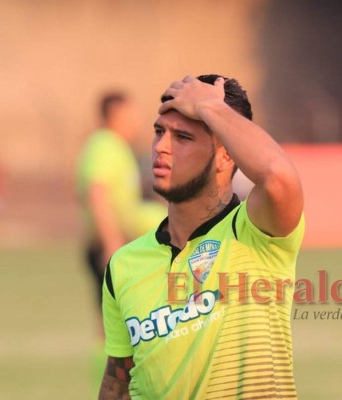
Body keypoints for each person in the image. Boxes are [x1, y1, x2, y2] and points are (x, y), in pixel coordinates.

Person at [99, 75, 305, 399]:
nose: (161, 148)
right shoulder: (124, 264)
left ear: (226, 154)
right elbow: (118, 382)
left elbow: (278, 177)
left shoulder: (257, 233)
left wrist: (210, 106)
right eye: (158, 132)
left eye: (182, 137)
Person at [77, 92, 166, 325]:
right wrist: (111, 244)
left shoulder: (118, 147)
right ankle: (102, 363)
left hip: (127, 246)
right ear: (115, 116)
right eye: (131, 115)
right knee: (113, 324)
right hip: (114, 248)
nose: (137, 121)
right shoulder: (104, 145)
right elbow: (97, 193)